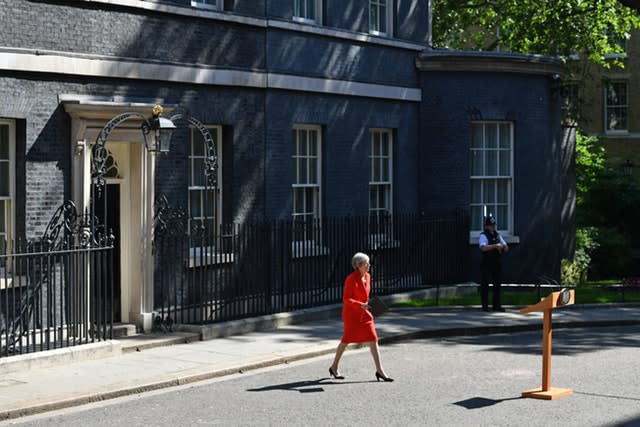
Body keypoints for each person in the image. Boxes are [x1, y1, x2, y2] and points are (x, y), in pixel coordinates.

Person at [329, 252, 394, 382]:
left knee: (373, 338)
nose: (369, 265)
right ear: (358, 266)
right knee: (346, 340)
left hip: (365, 313)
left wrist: (369, 305)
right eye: (366, 264)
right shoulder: (351, 278)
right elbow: (346, 299)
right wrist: (360, 305)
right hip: (352, 314)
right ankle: (334, 366)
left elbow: (365, 295)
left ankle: (380, 370)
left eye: (368, 263)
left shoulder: (368, 276)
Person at [479, 215, 509, 312]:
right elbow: (483, 247)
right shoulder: (483, 235)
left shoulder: (497, 235)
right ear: (486, 226)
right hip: (487, 262)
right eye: (490, 225)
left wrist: (503, 247)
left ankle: (496, 305)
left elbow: (506, 247)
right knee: (485, 285)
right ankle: (485, 306)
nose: (493, 227)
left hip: (497, 262)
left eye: (493, 225)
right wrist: (495, 246)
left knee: (497, 285)